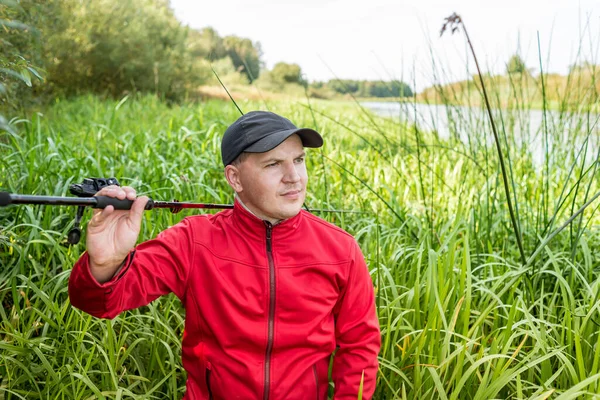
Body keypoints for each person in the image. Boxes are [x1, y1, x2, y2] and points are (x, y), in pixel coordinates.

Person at [68, 111, 381, 399]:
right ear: (234, 178)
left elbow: (360, 347)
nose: (294, 177)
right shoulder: (193, 241)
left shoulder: (341, 249)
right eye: (273, 164)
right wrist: (106, 262)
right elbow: (99, 303)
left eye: (298, 160)